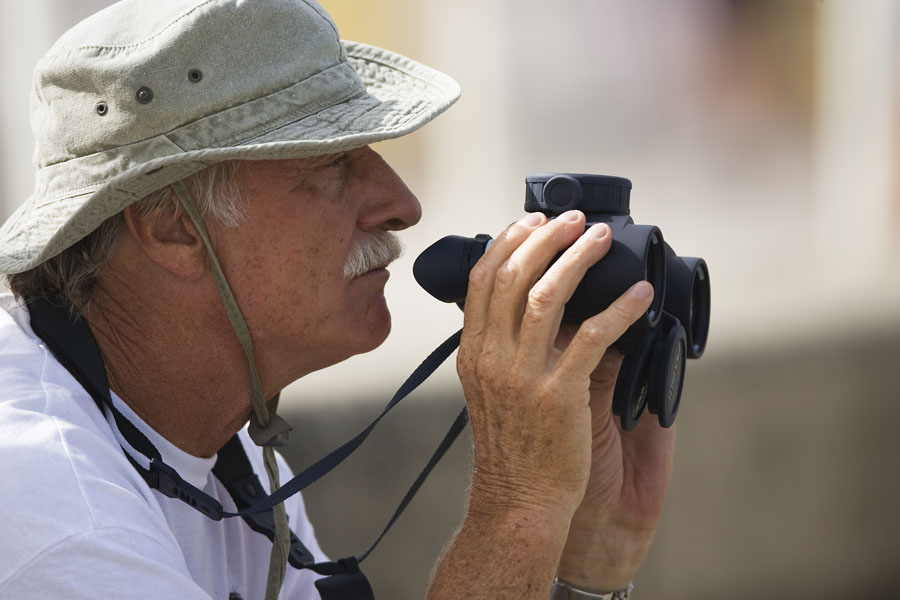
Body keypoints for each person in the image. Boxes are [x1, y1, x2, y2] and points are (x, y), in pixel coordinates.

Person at [0, 1, 676, 599]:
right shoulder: (58, 515)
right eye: (330, 164)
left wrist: (590, 568)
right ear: (172, 228)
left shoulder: (209, 445)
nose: (401, 206)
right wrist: (517, 509)